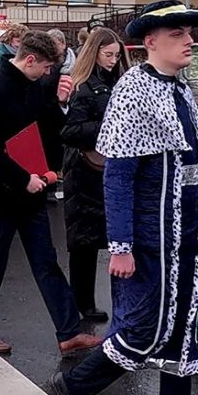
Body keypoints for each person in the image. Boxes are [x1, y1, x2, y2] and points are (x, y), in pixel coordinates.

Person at [51, 1, 198, 395]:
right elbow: (118, 175)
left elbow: (192, 169)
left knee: (183, 325)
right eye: (177, 34)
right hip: (148, 235)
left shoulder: (180, 89)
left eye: (188, 33)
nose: (188, 40)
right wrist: (120, 245)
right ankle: (75, 385)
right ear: (150, 42)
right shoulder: (132, 90)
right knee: (143, 329)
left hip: (183, 232)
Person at [0, 31, 101, 356]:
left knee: (46, 262)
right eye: (46, 68)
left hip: (33, 192)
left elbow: (49, 128)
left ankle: (68, 332)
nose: (49, 74)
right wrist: (23, 178)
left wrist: (61, 103)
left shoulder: (34, 87)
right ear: (29, 60)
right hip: (4, 195)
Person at [61, 28, 130, 323]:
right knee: (85, 243)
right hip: (85, 172)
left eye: (116, 55)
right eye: (108, 54)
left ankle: (119, 303)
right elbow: (70, 132)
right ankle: (83, 302)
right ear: (95, 53)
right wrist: (107, 126)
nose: (113, 60)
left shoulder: (120, 83)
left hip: (110, 170)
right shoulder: (84, 87)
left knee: (116, 239)